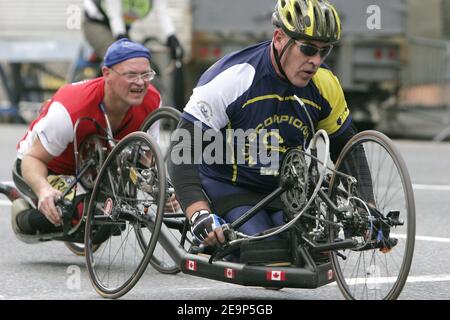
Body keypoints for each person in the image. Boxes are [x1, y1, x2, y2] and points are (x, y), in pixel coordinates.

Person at [168, 0, 361, 250]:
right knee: (265, 250)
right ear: (279, 38)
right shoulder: (233, 79)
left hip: (285, 192)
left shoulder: (325, 83)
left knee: (311, 249)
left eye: (324, 52)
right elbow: (182, 152)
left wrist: (367, 209)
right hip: (229, 186)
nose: (315, 61)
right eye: (307, 49)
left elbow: (348, 147)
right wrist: (198, 213)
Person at [1, 38, 179, 242]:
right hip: (46, 166)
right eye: (131, 75)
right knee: (77, 215)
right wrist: (43, 190)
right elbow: (32, 159)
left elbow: (144, 159)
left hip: (93, 169)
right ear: (107, 74)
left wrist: (160, 191)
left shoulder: (152, 101)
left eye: (146, 74)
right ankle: (24, 217)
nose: (140, 82)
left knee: (113, 219)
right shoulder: (71, 108)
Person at [83, 0, 184, 61]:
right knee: (118, 58)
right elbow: (114, 16)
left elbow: (162, 13)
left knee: (132, 60)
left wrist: (172, 37)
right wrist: (121, 39)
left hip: (123, 27)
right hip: (97, 23)